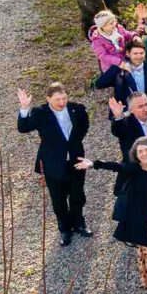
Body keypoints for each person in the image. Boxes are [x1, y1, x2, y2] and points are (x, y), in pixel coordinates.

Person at [74, 136, 147, 294]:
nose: (144, 154)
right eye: (140, 151)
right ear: (136, 155)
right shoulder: (134, 170)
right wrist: (94, 164)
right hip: (143, 223)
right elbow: (116, 166)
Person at [17, 83, 91, 247]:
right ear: (48, 99)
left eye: (64, 98)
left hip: (75, 161)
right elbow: (23, 128)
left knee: (78, 195)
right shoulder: (40, 113)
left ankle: (79, 223)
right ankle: (65, 229)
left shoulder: (77, 109)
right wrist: (24, 108)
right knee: (58, 199)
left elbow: (84, 127)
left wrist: (73, 144)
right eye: (57, 99)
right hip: (53, 163)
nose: (62, 102)